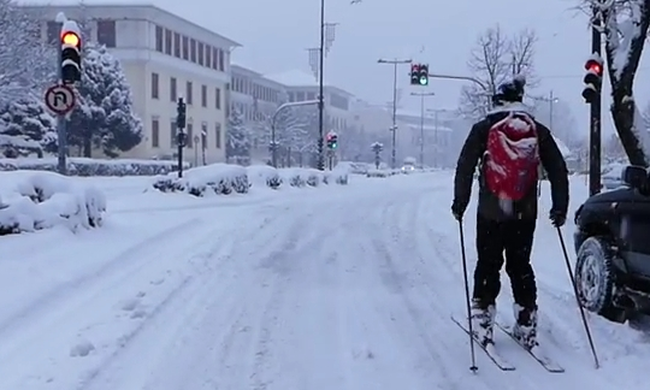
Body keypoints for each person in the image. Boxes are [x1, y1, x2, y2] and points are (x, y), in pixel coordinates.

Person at [451, 75, 569, 349]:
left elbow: (465, 165)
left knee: (488, 263)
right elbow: (558, 169)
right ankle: (527, 322)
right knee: (520, 265)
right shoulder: (536, 130)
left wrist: (461, 202)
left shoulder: (484, 128)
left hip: (491, 211)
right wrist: (559, 207)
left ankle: (482, 321)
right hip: (524, 213)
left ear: (498, 99)